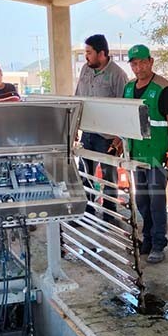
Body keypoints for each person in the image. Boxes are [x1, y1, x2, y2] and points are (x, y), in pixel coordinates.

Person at [125, 45, 168, 264]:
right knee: (142, 200)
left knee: (156, 201)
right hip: (137, 154)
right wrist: (120, 142)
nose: (139, 68)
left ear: (151, 62)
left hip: (157, 154)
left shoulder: (163, 88)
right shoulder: (128, 88)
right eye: (134, 64)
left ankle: (158, 244)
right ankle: (146, 240)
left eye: (142, 63)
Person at [75, 35, 130, 223]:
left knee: (108, 177)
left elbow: (124, 107)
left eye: (89, 52)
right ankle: (87, 212)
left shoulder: (117, 75)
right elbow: (78, 98)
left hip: (107, 136)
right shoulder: (85, 70)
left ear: (102, 53)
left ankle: (109, 214)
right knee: (85, 173)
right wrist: (75, 127)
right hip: (88, 132)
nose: (86, 56)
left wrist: (119, 138)